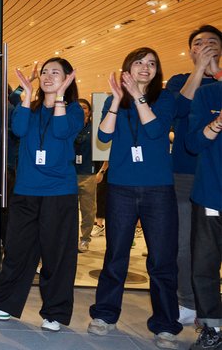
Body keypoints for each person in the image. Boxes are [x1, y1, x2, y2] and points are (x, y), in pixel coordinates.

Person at [0, 58, 83, 331]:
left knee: (57, 256)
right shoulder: (29, 109)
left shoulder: (75, 110)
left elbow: (60, 130)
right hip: (26, 191)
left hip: (59, 193)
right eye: (45, 72)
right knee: (17, 252)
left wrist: (60, 98)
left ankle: (54, 313)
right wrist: (27, 96)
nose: (48, 76)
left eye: (56, 72)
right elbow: (18, 130)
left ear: (68, 78)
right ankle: (1, 305)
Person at [88, 48, 181, 349]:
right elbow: (103, 137)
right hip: (121, 188)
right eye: (139, 62)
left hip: (158, 190)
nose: (146, 67)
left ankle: (166, 324)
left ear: (157, 71)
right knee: (116, 255)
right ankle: (104, 314)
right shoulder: (116, 100)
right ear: (127, 68)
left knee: (162, 259)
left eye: (152, 63)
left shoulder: (165, 98)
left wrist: (139, 96)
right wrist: (116, 99)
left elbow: (155, 131)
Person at [164, 24, 221, 324]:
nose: (206, 46)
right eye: (199, 43)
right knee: (185, 243)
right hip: (185, 174)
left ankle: (210, 308)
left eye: (212, 42)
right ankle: (188, 302)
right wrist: (200, 71)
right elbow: (178, 111)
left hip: (217, 176)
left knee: (211, 247)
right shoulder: (179, 81)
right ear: (191, 52)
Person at [185, 78, 222, 350]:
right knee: (204, 266)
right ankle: (213, 328)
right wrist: (217, 123)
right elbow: (193, 143)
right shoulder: (208, 95)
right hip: (211, 194)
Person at [76, 98, 97, 253]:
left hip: (88, 174)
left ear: (89, 111)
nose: (82, 110)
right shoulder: (70, 127)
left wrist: (101, 171)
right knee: (68, 209)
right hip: (69, 174)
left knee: (88, 210)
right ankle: (69, 238)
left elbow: (104, 151)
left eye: (84, 107)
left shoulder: (94, 128)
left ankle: (84, 239)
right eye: (78, 107)